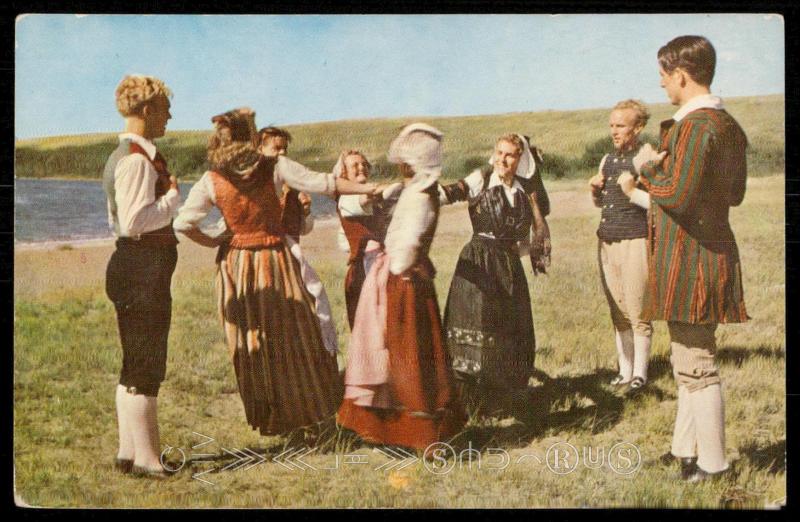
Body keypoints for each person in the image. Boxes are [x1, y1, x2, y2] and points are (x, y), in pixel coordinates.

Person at [173, 108, 378, 436]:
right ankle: (306, 415)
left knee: (256, 342)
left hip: (237, 265)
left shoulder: (212, 179)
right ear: (253, 138)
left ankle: (278, 420)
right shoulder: (275, 167)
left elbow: (183, 222)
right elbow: (324, 182)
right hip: (274, 259)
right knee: (296, 336)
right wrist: (366, 190)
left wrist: (216, 241)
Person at [629, 35, 748, 482]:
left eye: (663, 76)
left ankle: (714, 466)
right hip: (706, 255)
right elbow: (733, 194)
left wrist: (647, 167)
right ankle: (685, 452)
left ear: (680, 75)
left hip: (692, 261)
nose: (661, 84)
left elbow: (676, 194)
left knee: (697, 365)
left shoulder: (697, 126)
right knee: (687, 362)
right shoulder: (728, 124)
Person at [337, 123, 465, 450]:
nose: (400, 166)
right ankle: (405, 429)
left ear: (412, 163)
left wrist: (394, 269)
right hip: (408, 275)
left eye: (404, 161)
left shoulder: (419, 195)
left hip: (405, 279)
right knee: (406, 350)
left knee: (408, 351)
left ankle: (416, 431)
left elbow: (407, 242)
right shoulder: (419, 190)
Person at [438, 134, 549, 413]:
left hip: (509, 267)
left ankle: (502, 402)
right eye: (499, 153)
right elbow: (449, 194)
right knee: (475, 328)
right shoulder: (482, 179)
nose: (502, 159)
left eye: (510, 155)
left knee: (511, 332)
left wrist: (523, 252)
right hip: (478, 262)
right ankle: (467, 404)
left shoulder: (523, 192)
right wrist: (421, 192)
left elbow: (525, 240)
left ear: (520, 159)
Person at [103, 75, 180, 478]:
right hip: (140, 266)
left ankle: (129, 451)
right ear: (147, 111)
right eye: (165, 109)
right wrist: (172, 199)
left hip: (131, 266)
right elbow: (135, 221)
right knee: (146, 364)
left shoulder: (123, 154)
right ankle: (148, 459)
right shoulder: (136, 158)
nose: (169, 116)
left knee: (134, 362)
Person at [588, 100, 654, 392]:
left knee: (638, 309)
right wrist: (594, 191)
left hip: (635, 240)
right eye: (612, 125)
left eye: (621, 125)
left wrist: (632, 189)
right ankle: (624, 371)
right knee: (617, 310)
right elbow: (603, 203)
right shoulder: (607, 160)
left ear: (637, 127)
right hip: (607, 240)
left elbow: (658, 204)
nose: (614, 131)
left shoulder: (646, 156)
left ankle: (640, 373)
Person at [333, 150, 402, 328]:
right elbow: (365, 199)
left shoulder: (373, 199)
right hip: (364, 270)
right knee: (372, 325)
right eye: (355, 165)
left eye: (364, 164)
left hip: (382, 264)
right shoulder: (346, 198)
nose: (361, 167)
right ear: (343, 174)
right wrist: (394, 187)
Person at [257, 126, 313, 243]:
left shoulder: (293, 184)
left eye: (285, 148)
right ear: (260, 149)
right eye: (277, 148)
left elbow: (305, 230)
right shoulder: (250, 184)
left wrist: (306, 211)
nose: (282, 152)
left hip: (289, 254)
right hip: (261, 251)